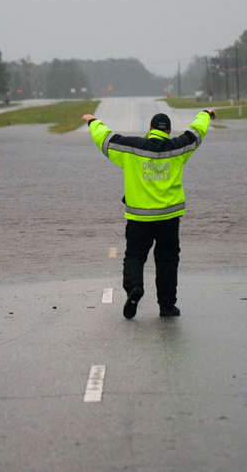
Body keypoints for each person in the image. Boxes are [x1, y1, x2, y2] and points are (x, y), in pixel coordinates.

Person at [82, 108, 215, 319]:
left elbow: (105, 139)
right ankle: (167, 306)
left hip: (139, 219)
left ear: (150, 129)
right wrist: (206, 114)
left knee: (135, 256)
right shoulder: (178, 148)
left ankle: (134, 287)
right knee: (167, 261)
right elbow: (197, 132)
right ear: (169, 130)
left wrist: (93, 122)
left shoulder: (131, 148)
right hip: (169, 218)